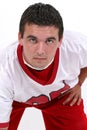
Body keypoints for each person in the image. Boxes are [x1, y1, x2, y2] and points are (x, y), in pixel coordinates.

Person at [0, 2, 87, 130]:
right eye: (33, 40)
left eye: (49, 41)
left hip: (60, 95)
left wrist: (79, 83)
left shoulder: (77, 46)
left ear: (60, 40)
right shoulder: (4, 69)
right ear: (20, 38)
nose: (41, 50)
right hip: (14, 99)